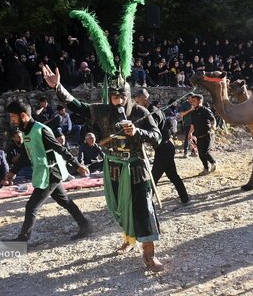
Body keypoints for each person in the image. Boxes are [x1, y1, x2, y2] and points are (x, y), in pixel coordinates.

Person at [44, 65, 164, 272]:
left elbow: (157, 137)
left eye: (122, 97)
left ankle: (149, 252)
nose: (119, 101)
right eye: (114, 97)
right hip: (113, 166)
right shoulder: (100, 110)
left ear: (127, 96)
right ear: (109, 97)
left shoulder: (139, 112)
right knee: (119, 207)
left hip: (136, 167)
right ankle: (129, 238)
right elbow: (76, 105)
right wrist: (58, 87)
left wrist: (137, 132)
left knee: (143, 208)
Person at [4, 101, 92, 242]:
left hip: (50, 173)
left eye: (13, 117)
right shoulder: (26, 131)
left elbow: (60, 148)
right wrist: (13, 172)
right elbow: (25, 154)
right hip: (44, 172)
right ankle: (85, 225)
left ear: (23, 116)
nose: (12, 120)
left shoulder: (41, 129)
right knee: (65, 201)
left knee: (31, 206)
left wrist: (77, 165)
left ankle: (22, 240)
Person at [134, 89, 190, 205]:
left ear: (144, 99)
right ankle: (185, 198)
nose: (137, 105)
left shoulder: (152, 113)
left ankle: (146, 203)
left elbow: (152, 133)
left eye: (137, 102)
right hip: (165, 147)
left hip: (164, 147)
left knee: (154, 177)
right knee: (173, 175)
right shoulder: (153, 110)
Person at [188, 94, 217, 175]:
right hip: (199, 136)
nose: (192, 103)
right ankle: (206, 169)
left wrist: (213, 126)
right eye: (191, 101)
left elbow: (212, 119)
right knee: (201, 154)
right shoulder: (193, 113)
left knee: (204, 152)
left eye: (194, 101)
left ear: (200, 101)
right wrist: (190, 133)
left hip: (207, 135)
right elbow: (193, 124)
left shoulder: (205, 110)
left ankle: (213, 162)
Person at [178, 92, 197, 158]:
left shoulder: (195, 103)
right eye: (190, 98)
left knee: (194, 137)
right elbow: (181, 114)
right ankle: (185, 152)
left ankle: (194, 151)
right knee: (187, 137)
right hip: (187, 123)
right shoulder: (184, 104)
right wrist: (190, 110)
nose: (191, 100)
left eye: (192, 98)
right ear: (188, 98)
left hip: (195, 123)